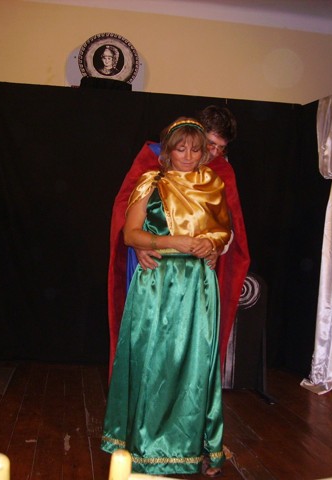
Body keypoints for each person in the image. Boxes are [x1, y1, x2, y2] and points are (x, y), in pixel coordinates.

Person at [101, 118, 231, 476]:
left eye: (195, 149)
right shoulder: (151, 182)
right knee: (153, 363)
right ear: (168, 150)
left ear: (204, 152)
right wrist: (171, 242)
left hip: (198, 285)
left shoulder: (214, 183)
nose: (188, 156)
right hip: (158, 281)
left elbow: (223, 231)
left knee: (195, 365)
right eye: (180, 148)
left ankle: (194, 447)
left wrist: (211, 244)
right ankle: (144, 447)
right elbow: (130, 235)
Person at [107, 106, 250, 387]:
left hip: (196, 275)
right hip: (155, 267)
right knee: (151, 346)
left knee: (190, 348)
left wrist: (215, 246)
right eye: (210, 144)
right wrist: (141, 244)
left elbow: (229, 225)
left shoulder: (220, 172)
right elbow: (126, 214)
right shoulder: (153, 162)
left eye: (220, 148)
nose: (213, 153)